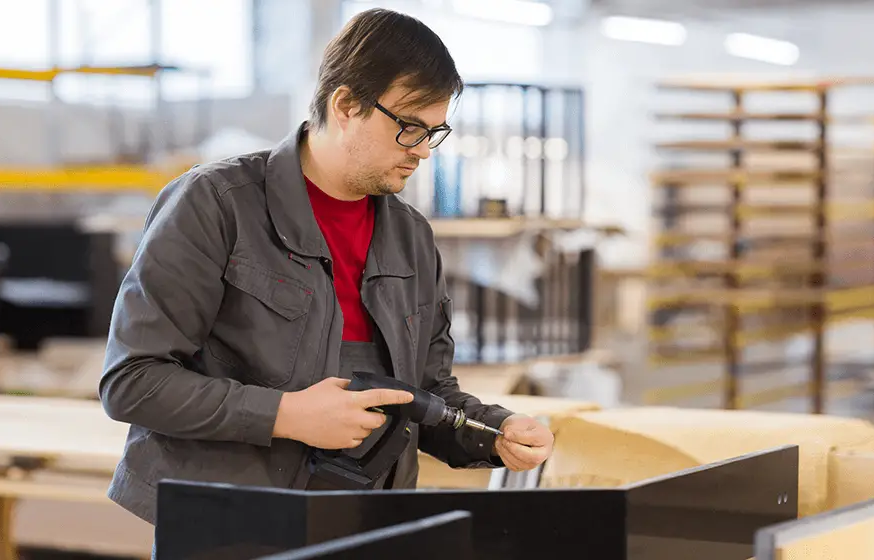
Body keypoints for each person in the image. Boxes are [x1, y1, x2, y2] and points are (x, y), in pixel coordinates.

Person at [99, 6, 555, 539]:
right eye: (409, 129)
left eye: (435, 131)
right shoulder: (216, 204)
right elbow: (132, 381)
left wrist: (491, 433)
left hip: (365, 525)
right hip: (230, 527)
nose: (424, 152)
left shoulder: (411, 237)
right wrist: (285, 415)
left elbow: (426, 394)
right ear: (345, 105)